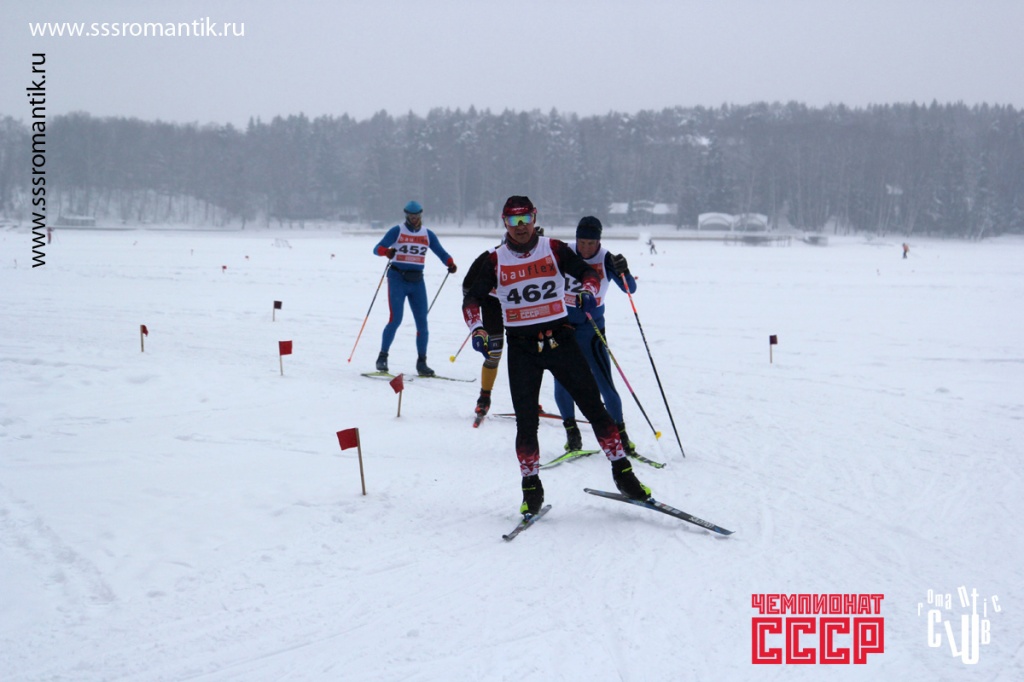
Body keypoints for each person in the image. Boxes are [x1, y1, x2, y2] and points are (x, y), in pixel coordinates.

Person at [462, 196, 651, 517]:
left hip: (560, 340)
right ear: (504, 223)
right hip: (522, 348)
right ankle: (531, 488)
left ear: (535, 218)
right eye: (512, 221)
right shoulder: (494, 259)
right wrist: (477, 329)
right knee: (526, 423)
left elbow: (588, 274)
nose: (520, 227)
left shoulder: (554, 248)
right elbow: (471, 299)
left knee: (595, 409)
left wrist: (588, 291)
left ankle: (624, 475)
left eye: (525, 219)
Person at [552, 216, 639, 457]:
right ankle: (572, 436)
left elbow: (630, 289)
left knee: (605, 384)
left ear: (599, 241)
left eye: (591, 243)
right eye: (582, 242)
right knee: (563, 382)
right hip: (564, 328)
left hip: (592, 330)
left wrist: (624, 270)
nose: (586, 248)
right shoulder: (564, 252)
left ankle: (621, 436)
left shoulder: (606, 259)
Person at [372, 201, 457, 377]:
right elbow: (376, 249)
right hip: (397, 279)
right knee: (395, 319)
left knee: (422, 323)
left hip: (417, 281)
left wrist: (450, 263)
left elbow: (440, 252)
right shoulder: (397, 231)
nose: (414, 219)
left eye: (417, 216)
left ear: (421, 215)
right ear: (406, 216)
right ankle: (382, 357)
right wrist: (386, 252)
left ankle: (422, 363)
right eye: (411, 216)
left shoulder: (427, 234)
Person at [462, 247, 505, 417]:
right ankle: (484, 397)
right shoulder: (491, 255)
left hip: (522, 306)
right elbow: (467, 286)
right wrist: (476, 321)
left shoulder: (543, 253)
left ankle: (530, 399)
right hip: (493, 304)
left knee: (528, 355)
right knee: (494, 353)